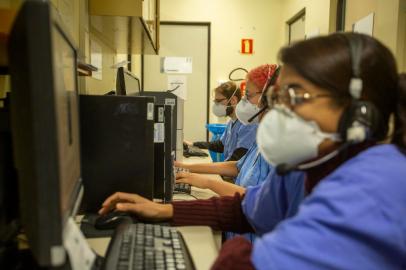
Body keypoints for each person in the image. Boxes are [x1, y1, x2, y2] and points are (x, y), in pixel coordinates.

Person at [99, 33, 406, 269]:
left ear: (359, 111)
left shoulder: (377, 184)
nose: (279, 111)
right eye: (278, 97)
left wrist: (237, 250)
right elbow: (247, 209)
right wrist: (165, 210)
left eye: (296, 96)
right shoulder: (309, 163)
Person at [175, 64, 279, 194]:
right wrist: (186, 167)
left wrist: (208, 182)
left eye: (248, 95)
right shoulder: (263, 138)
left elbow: (259, 200)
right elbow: (237, 166)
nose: (244, 101)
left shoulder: (279, 147)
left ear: (269, 99)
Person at [186, 80, 257, 161]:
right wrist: (193, 144)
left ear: (233, 100)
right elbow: (220, 145)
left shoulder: (247, 124)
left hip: (237, 172)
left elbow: (237, 161)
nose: (216, 106)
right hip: (230, 171)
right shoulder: (232, 122)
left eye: (218, 101)